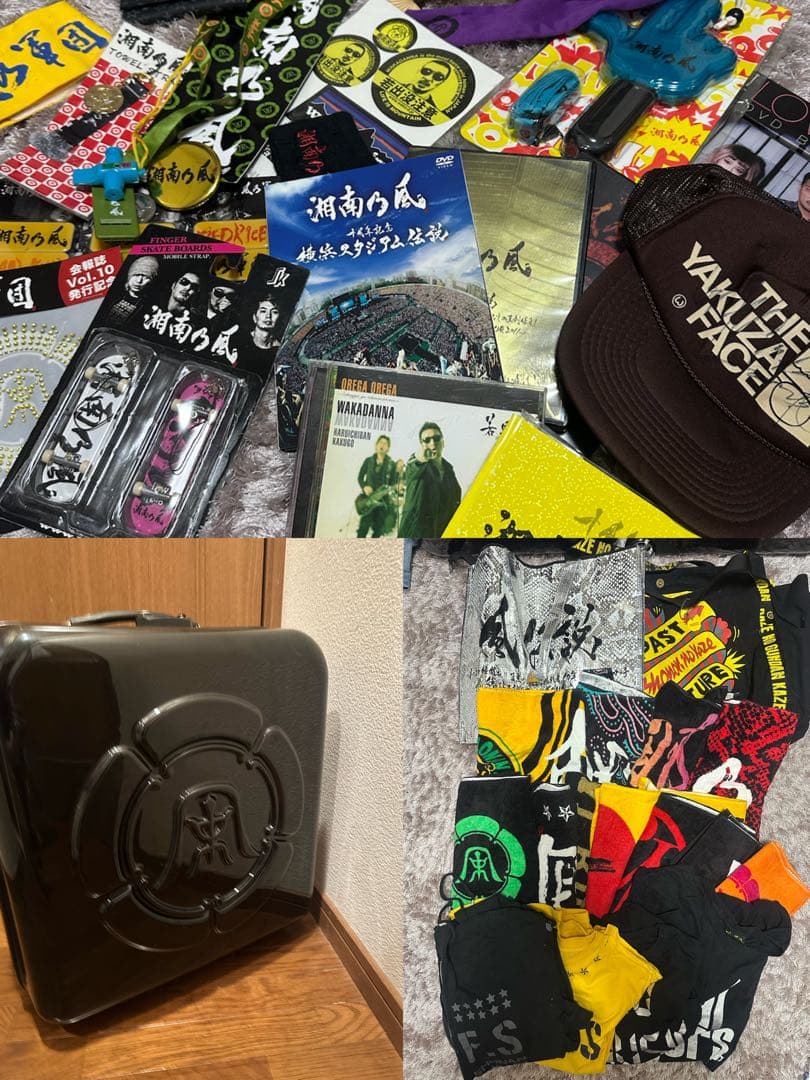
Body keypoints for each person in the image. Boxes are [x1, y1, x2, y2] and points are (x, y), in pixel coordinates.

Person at [398, 422, 461, 539]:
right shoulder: (416, 465)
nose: (432, 443)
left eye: (436, 438)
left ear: (443, 442)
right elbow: (414, 463)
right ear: (421, 445)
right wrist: (420, 456)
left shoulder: (449, 470)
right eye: (427, 440)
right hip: (414, 536)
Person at [356, 435, 402, 538]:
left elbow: (393, 483)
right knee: (363, 529)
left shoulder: (391, 464)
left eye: (385, 444)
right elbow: (360, 477)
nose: (382, 445)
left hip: (383, 503)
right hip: (369, 500)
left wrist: (398, 473)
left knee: (377, 532)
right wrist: (364, 487)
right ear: (376, 445)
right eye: (380, 443)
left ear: (388, 448)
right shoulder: (368, 461)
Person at [109, 256, 159, 321]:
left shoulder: (149, 307)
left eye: (146, 277)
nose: (139, 281)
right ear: (129, 276)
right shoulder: (113, 296)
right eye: (136, 275)